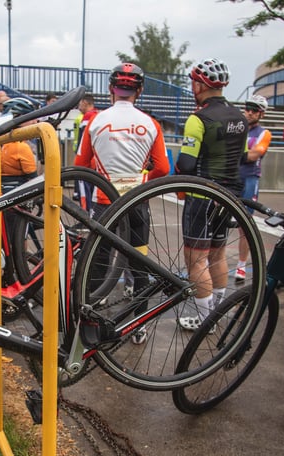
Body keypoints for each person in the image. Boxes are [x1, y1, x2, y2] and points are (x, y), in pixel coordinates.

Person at [74, 62, 170, 344]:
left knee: (98, 261)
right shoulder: (150, 123)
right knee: (139, 263)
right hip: (136, 202)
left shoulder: (96, 120)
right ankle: (139, 324)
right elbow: (163, 169)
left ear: (110, 89)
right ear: (139, 90)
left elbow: (80, 164)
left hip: (104, 203)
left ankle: (90, 322)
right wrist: (141, 178)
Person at [175, 57, 248, 330]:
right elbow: (241, 157)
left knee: (196, 259)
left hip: (203, 196)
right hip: (229, 196)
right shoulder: (240, 118)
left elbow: (186, 164)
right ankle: (216, 313)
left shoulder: (198, 118)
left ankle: (204, 319)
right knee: (217, 255)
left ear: (200, 84)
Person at [235, 94, 272, 282]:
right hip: (232, 177)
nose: (249, 112)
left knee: (244, 223)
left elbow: (254, 155)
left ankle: (241, 265)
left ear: (261, 114)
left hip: (249, 178)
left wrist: (234, 153)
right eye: (247, 108)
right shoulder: (237, 128)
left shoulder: (263, 133)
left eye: (254, 110)